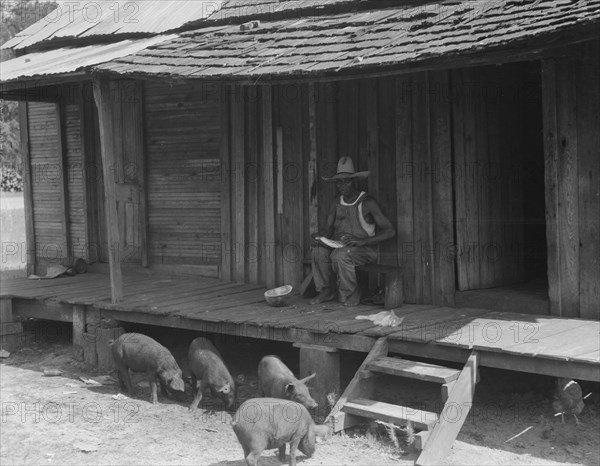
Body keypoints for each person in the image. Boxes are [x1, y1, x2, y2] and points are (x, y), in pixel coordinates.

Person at [310, 157, 396, 307]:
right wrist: (318, 236)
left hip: (366, 250)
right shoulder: (336, 202)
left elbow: (390, 231)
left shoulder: (367, 202)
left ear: (355, 181)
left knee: (341, 255)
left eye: (347, 181)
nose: (342, 185)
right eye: (339, 182)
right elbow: (327, 229)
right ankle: (326, 290)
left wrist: (363, 241)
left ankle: (352, 292)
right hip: (341, 247)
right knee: (318, 251)